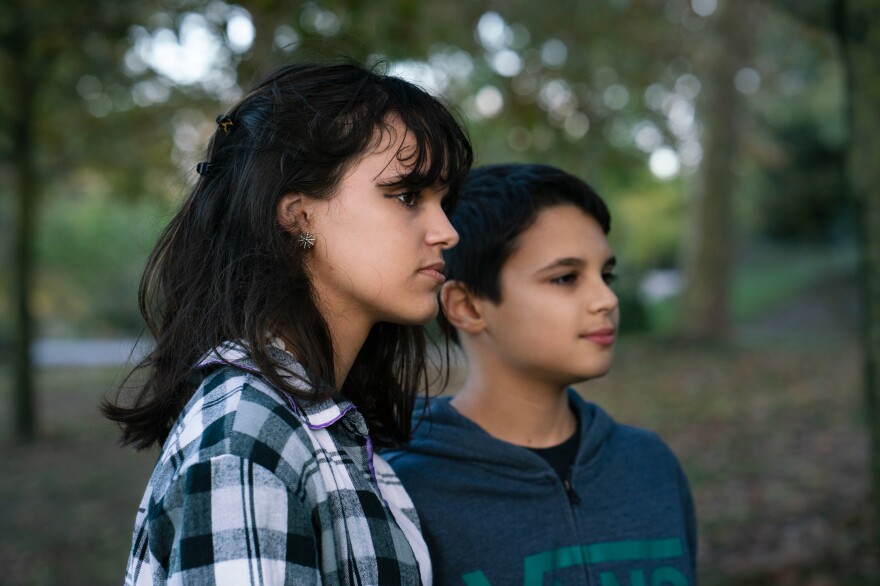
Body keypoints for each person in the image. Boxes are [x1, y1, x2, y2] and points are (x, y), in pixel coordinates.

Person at [102, 60, 473, 585]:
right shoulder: (246, 438)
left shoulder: (313, 419)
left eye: (444, 201)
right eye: (407, 196)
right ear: (298, 215)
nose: (446, 231)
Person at [385, 163, 697, 585]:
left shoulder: (650, 465)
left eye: (606, 276)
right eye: (566, 277)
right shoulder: (404, 492)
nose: (606, 299)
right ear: (468, 307)